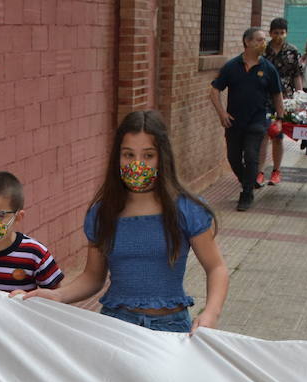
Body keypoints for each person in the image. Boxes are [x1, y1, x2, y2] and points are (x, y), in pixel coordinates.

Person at [20, 110, 228, 334]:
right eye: (129, 154)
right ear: (117, 156)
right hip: (116, 328)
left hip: (171, 329)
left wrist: (211, 312)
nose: (137, 164)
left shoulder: (187, 209)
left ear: (162, 157)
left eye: (148, 155)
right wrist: (58, 295)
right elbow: (93, 276)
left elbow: (216, 267)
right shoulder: (103, 213)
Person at [210, 27, 285, 211]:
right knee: (233, 157)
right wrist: (222, 113)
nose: (263, 43)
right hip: (234, 121)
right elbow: (214, 91)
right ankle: (248, 181)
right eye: (259, 40)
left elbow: (277, 95)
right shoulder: (231, 66)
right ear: (247, 42)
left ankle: (246, 194)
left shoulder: (268, 68)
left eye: (263, 40)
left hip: (258, 120)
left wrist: (279, 118)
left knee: (251, 155)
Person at [262, 17, 301, 187]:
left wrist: (299, 97)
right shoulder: (263, 51)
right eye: (276, 33)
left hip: (284, 98)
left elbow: (297, 75)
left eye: (282, 33)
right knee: (262, 134)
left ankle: (276, 171)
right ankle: (259, 171)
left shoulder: (292, 51)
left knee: (277, 136)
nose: (279, 36)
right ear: (270, 33)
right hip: (264, 98)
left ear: (286, 33)